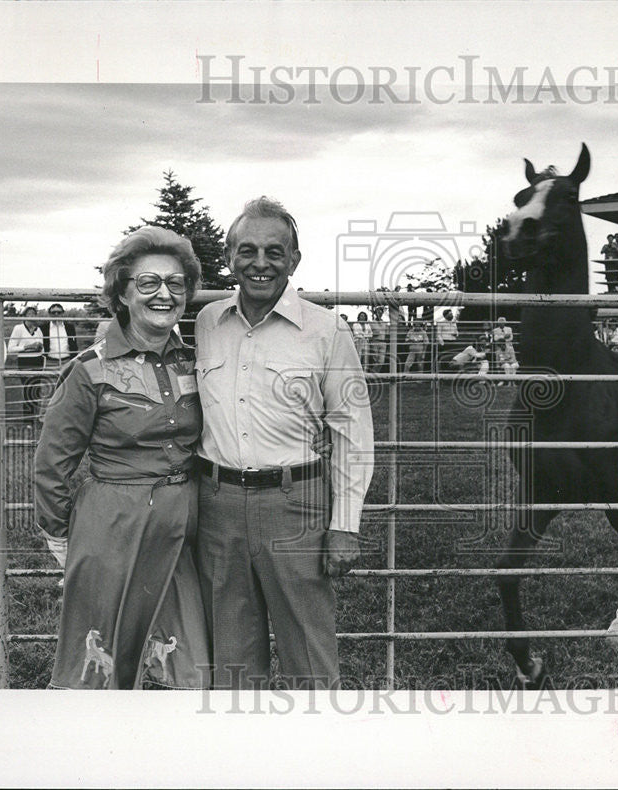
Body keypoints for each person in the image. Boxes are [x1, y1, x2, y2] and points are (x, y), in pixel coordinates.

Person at [194, 197, 374, 689]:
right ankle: (246, 759)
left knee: (310, 657)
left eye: (275, 252)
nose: (260, 263)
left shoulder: (326, 328)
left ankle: (315, 758)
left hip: (296, 506)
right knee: (229, 658)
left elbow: (352, 430)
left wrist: (345, 527)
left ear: (294, 260)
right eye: (247, 250)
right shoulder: (206, 322)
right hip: (217, 506)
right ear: (229, 256)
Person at [33, 226, 209, 689]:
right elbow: (53, 463)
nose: (164, 294)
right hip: (110, 531)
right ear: (123, 292)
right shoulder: (89, 369)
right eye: (148, 283)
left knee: (188, 669)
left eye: (175, 284)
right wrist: (59, 536)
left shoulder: (194, 362)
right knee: (100, 667)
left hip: (181, 532)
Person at [7, 306, 46, 418]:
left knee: (36, 389)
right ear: (24, 316)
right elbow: (11, 348)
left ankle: (35, 416)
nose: (32, 316)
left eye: (34, 314)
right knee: (28, 389)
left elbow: (43, 348)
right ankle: (27, 418)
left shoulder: (38, 330)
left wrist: (39, 347)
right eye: (29, 314)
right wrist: (27, 347)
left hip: (38, 361)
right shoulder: (18, 328)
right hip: (25, 361)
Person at [42, 303, 78, 369]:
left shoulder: (70, 327)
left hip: (67, 361)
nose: (56, 314)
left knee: (67, 379)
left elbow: (74, 344)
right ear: (49, 314)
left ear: (63, 313)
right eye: (53, 312)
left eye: (59, 312)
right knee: (50, 379)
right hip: (50, 362)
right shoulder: (43, 328)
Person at [368, 305, 389, 373]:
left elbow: (387, 332)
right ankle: (374, 376)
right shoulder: (371, 322)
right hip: (375, 342)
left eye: (381, 312)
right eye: (378, 312)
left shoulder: (384, 323)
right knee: (375, 360)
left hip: (383, 342)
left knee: (381, 361)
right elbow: (369, 332)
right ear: (375, 313)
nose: (379, 313)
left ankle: (374, 374)